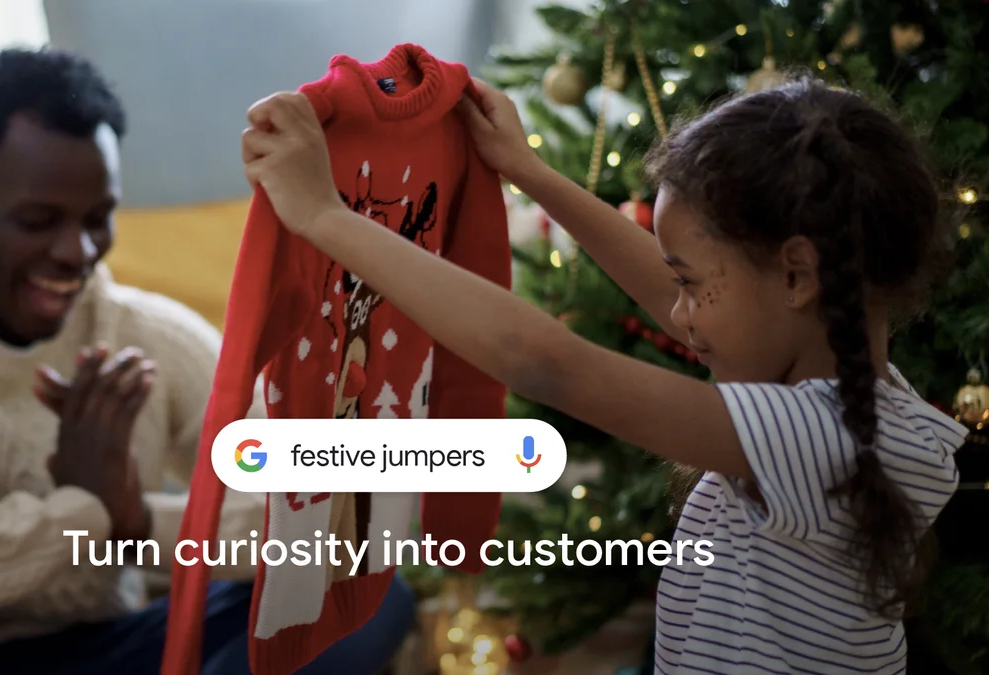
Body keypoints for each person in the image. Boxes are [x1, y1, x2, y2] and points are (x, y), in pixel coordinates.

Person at [237, 76, 968, 673]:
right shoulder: (837, 384)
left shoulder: (822, 438)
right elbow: (679, 292)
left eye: (691, 283)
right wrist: (528, 171)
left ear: (798, 274)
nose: (678, 313)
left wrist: (324, 217)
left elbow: (547, 364)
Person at [0, 48, 413, 675]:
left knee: (353, 595)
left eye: (98, 219)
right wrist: (84, 515)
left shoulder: (143, 333)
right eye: (39, 221)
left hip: (109, 647)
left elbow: (325, 514)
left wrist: (137, 520)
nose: (77, 252)